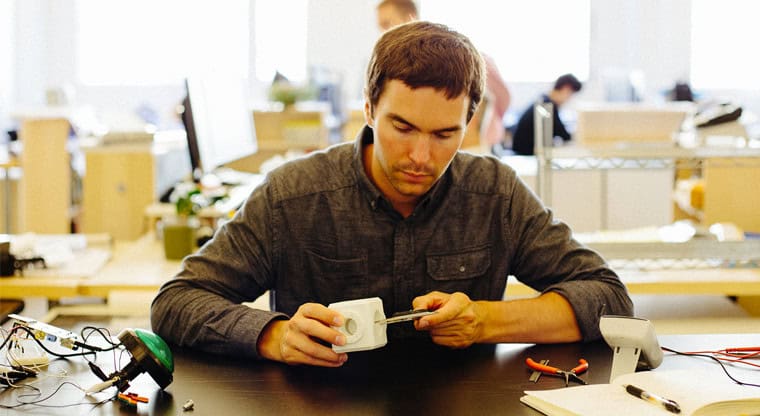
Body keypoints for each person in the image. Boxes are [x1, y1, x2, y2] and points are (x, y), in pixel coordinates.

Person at [151, 22, 632, 367]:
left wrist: (485, 321)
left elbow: (608, 299)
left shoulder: (496, 194)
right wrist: (273, 335)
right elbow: (176, 302)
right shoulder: (291, 196)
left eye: (445, 134)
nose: (421, 156)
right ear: (368, 108)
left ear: (470, 123)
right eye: (402, 127)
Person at [375, 0, 511, 148]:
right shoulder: (401, 63)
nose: (383, 32)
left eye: (387, 23)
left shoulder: (452, 53)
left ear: (410, 18)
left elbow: (503, 96)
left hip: (478, 143)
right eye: (381, 26)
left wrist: (484, 124)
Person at [511, 73, 582, 156]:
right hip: (526, 154)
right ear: (566, 88)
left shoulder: (543, 100)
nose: (569, 99)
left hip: (524, 150)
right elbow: (563, 134)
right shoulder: (547, 106)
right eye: (570, 94)